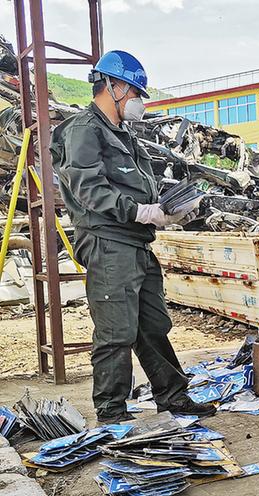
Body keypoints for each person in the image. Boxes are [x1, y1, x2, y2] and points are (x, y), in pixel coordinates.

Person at [50, 50, 214, 423]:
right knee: (116, 330)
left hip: (137, 241)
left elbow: (141, 188)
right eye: (136, 92)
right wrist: (140, 212)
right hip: (108, 242)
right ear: (113, 85)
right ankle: (112, 412)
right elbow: (89, 189)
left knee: (153, 324)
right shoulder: (83, 130)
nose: (139, 101)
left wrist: (168, 210)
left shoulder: (124, 135)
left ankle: (172, 395)